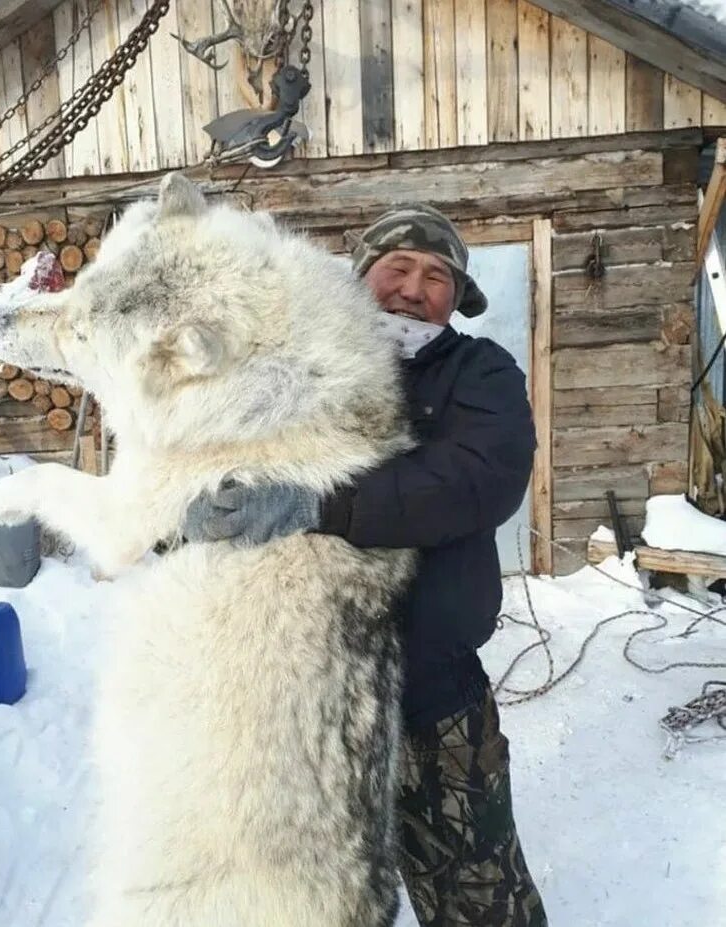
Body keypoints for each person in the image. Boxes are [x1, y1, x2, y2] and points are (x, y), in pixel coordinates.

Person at [184, 204, 548, 927]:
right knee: (318, 899)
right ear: (359, 276)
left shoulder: (480, 370)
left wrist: (319, 505)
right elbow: (215, 450)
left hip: (431, 692)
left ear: (457, 296)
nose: (415, 287)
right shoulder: (296, 365)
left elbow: (481, 478)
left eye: (436, 274)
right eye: (397, 267)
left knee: (481, 898)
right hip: (299, 700)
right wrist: (194, 506)